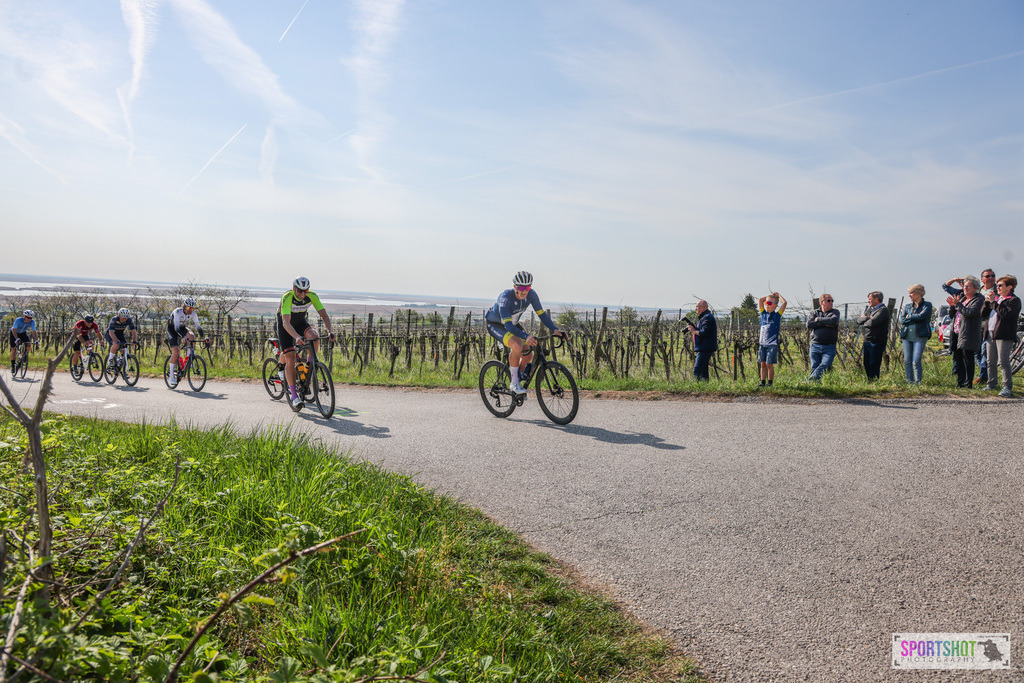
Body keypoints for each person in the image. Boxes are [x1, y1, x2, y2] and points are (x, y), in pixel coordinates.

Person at [484, 271, 566, 395]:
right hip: (496, 324)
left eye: (527, 287)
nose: (524, 291)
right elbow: (508, 325)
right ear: (515, 287)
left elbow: (542, 314)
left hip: (512, 324)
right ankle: (514, 383)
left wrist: (554, 329)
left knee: (528, 353)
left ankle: (517, 382)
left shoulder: (531, 295)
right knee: (517, 344)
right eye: (521, 287)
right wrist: (525, 336)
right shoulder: (505, 298)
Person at [278, 277, 334, 408]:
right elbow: (286, 322)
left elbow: (324, 315)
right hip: (285, 326)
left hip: (300, 322)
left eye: (306, 290)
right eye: (300, 290)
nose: (303, 293)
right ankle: (294, 396)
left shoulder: (312, 296)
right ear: (294, 289)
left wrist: (330, 331)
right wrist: (297, 337)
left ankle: (309, 367)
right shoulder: (287, 297)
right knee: (290, 357)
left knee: (314, 336)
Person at [983, 275, 1020, 398]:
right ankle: (991, 384)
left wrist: (994, 302)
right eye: (997, 285)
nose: (997, 287)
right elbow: (983, 314)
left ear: (1009, 287)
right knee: (990, 361)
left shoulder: (1014, 300)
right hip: (991, 333)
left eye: (1000, 285)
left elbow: (1005, 314)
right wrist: (987, 303)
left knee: (1003, 362)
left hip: (1004, 334)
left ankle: (1007, 387)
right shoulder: (997, 299)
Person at [946, 275, 984, 388]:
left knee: (968, 358)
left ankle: (968, 383)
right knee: (958, 358)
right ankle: (960, 381)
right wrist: (952, 306)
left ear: (975, 288)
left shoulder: (978, 299)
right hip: (957, 332)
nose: (965, 288)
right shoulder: (962, 298)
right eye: (964, 286)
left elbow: (970, 313)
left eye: (968, 286)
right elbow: (952, 315)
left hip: (968, 333)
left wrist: (957, 304)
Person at [166, 297, 210, 387]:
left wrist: (204, 337)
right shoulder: (177, 312)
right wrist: (183, 337)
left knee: (192, 337)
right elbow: (176, 328)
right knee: (176, 351)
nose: (191, 310)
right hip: (172, 329)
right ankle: (171, 375)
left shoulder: (193, 313)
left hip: (181, 328)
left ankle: (188, 360)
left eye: (192, 308)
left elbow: (198, 326)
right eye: (189, 308)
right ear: (184, 306)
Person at [898, 285, 932, 384]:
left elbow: (923, 316)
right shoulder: (908, 306)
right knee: (907, 360)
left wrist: (910, 317)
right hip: (907, 336)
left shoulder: (927, 305)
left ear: (919, 293)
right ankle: (910, 382)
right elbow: (902, 320)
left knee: (916, 360)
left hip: (920, 336)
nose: (909, 295)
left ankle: (918, 382)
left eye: (911, 293)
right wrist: (914, 318)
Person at [856, 291, 889, 380]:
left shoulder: (883, 310)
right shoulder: (871, 310)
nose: (868, 301)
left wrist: (865, 319)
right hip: (867, 340)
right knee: (866, 362)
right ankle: (870, 380)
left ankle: (874, 381)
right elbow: (859, 321)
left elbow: (872, 323)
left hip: (877, 341)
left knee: (874, 362)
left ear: (876, 299)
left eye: (870, 299)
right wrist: (867, 318)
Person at [806, 294, 839, 381]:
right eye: (828, 301)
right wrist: (826, 323)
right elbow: (809, 325)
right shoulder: (814, 313)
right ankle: (816, 387)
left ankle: (809, 381)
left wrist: (818, 320)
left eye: (832, 301)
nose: (831, 302)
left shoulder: (835, 312)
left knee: (825, 365)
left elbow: (833, 321)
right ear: (822, 302)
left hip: (829, 346)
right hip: (815, 345)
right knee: (814, 367)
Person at [756, 292, 786, 387]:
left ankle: (770, 383)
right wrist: (768, 297)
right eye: (766, 303)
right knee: (763, 364)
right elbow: (760, 300)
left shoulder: (777, 316)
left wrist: (778, 296)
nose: (767, 305)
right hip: (762, 344)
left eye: (770, 304)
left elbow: (784, 303)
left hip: (772, 344)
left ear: (775, 306)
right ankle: (762, 382)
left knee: (769, 364)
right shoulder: (763, 314)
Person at [686, 300, 717, 381]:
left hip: (705, 347)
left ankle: (699, 388)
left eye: (697, 307)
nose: (696, 308)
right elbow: (703, 330)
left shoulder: (707, 317)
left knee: (697, 369)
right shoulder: (705, 317)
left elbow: (704, 332)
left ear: (702, 308)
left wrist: (693, 331)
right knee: (703, 370)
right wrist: (695, 328)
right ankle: (705, 388)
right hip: (704, 347)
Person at [976, 268, 997, 384]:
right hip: (977, 325)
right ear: (982, 279)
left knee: (985, 350)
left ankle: (983, 376)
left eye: (993, 276)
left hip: (989, 326)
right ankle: (984, 371)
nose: (990, 278)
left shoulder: (997, 291)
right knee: (976, 352)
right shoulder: (978, 292)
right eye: (987, 276)